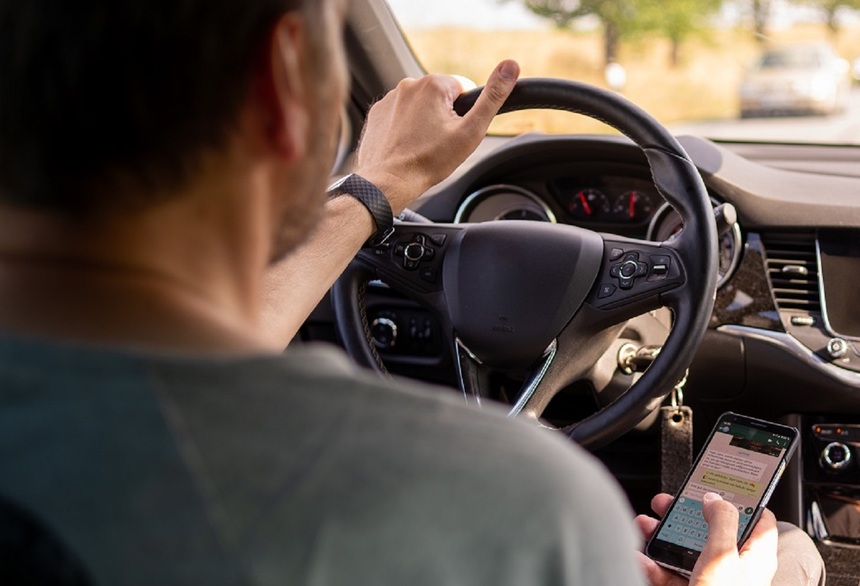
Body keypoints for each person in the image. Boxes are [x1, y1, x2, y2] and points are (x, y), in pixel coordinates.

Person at [0, 0, 822, 584]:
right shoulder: (520, 510)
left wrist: (375, 189)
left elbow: (187, 356)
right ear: (283, 79)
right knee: (786, 554)